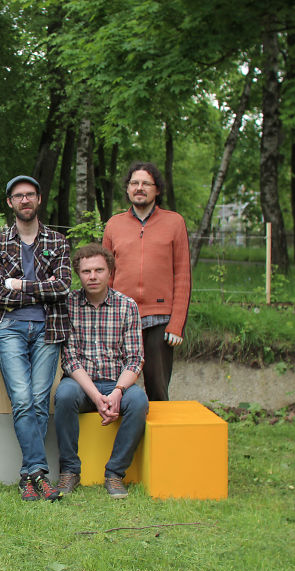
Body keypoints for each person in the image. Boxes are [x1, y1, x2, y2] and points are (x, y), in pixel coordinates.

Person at [0, 175, 71, 502]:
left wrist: (20, 286)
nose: (25, 200)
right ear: (10, 202)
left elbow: (62, 287)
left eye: (30, 195)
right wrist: (40, 291)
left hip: (49, 329)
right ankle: (38, 473)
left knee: (38, 401)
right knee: (22, 399)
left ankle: (28, 477)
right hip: (8, 328)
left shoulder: (58, 242)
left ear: (38, 200)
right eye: (18, 196)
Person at [54, 244, 148, 499]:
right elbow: (70, 360)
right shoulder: (68, 305)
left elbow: (135, 359)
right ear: (78, 274)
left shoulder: (127, 306)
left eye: (98, 270)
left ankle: (115, 473)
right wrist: (97, 397)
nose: (92, 276)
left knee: (139, 401)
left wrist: (118, 391)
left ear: (109, 272)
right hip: (82, 384)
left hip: (117, 382)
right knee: (63, 396)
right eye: (86, 271)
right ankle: (70, 471)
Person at [102, 162, 191, 402]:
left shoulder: (175, 222)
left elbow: (182, 275)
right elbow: (105, 275)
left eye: (145, 183)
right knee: (115, 388)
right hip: (121, 318)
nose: (139, 188)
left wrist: (177, 324)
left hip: (160, 320)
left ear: (157, 189)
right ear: (128, 189)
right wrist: (104, 316)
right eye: (134, 183)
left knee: (157, 390)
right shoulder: (114, 224)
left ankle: (160, 440)